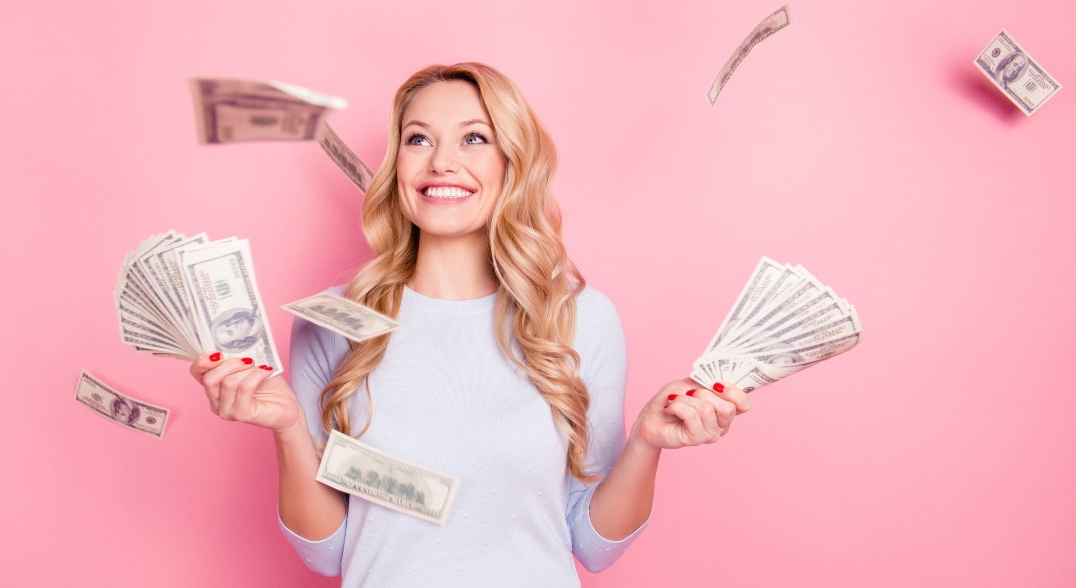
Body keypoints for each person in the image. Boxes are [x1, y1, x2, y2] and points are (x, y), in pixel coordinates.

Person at [188, 63, 753, 586]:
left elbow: (593, 545)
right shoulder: (333, 320)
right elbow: (328, 552)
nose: (441, 161)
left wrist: (646, 444)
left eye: (474, 138)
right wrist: (287, 427)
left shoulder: (580, 318)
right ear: (398, 166)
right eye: (418, 139)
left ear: (512, 163)